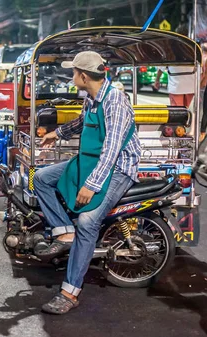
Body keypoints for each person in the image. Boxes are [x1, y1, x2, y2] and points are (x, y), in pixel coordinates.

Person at [34, 51, 141, 314]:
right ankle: (63, 232)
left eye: (73, 73)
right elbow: (83, 123)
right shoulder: (91, 98)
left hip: (118, 167)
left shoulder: (115, 101)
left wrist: (91, 184)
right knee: (41, 178)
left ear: (83, 76)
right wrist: (56, 134)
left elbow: (112, 150)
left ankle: (69, 293)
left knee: (88, 221)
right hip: (93, 160)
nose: (72, 77)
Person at [154, 26, 196, 108]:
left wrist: (157, 80)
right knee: (186, 110)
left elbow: (161, 67)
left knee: (177, 112)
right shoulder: (193, 48)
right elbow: (199, 68)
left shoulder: (170, 49)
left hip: (176, 85)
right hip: (190, 85)